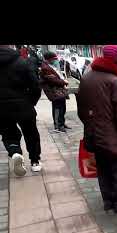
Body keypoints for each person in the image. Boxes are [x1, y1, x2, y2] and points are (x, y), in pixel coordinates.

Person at [77, 45, 117, 213]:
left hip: (93, 133)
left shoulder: (87, 77)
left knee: (103, 168)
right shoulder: (115, 81)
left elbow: (81, 111)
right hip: (113, 136)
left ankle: (109, 201)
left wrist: (91, 125)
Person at [0, 45, 42, 175]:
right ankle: (35, 161)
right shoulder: (22, 62)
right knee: (31, 133)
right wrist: (32, 102)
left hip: (1, 107)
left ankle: (15, 153)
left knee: (8, 133)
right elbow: (35, 85)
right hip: (23, 104)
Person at [39, 51, 71, 133]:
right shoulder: (45, 68)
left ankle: (62, 123)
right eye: (54, 59)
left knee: (62, 107)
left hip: (58, 90)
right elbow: (53, 80)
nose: (55, 60)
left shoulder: (51, 65)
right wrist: (64, 82)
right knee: (57, 108)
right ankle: (58, 126)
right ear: (49, 59)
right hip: (54, 91)